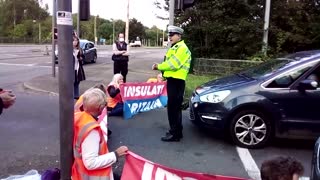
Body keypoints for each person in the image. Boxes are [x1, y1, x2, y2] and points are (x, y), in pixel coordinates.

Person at [72, 88, 128, 180]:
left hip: (79, 171)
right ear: (100, 108)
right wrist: (116, 154)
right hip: (92, 175)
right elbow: (91, 163)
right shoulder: (92, 131)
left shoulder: (78, 116)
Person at [152, 25, 191, 142]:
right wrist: (164, 75)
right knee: (173, 108)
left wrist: (158, 66)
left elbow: (173, 65)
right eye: (169, 35)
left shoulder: (182, 48)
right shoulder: (175, 47)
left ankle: (175, 134)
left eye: (172, 35)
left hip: (177, 82)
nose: (170, 37)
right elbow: (169, 64)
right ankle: (176, 130)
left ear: (179, 36)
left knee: (173, 108)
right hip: (173, 80)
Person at [73, 35, 86, 100]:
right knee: (72, 82)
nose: (75, 42)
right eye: (74, 40)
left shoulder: (79, 49)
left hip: (78, 68)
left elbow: (83, 58)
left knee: (77, 82)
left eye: (76, 41)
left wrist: (80, 58)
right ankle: (72, 95)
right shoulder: (69, 49)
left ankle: (76, 95)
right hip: (71, 69)